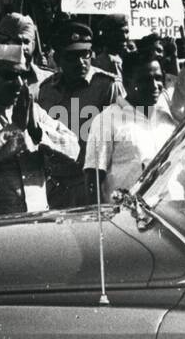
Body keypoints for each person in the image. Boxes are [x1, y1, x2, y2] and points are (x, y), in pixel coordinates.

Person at [0, 45, 80, 218]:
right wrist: (15, 130)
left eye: (23, 75)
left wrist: (37, 132)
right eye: (9, 76)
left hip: (35, 217)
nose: (19, 83)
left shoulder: (33, 111)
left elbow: (74, 148)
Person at [36, 22, 123, 209]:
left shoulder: (107, 86)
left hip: (92, 184)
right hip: (56, 186)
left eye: (85, 54)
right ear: (58, 58)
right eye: (72, 56)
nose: (80, 62)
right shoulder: (46, 90)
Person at [84, 50, 178, 198]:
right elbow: (93, 179)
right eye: (145, 80)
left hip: (169, 208)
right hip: (125, 211)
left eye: (158, 78)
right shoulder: (106, 121)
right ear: (127, 83)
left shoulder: (168, 118)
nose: (154, 85)